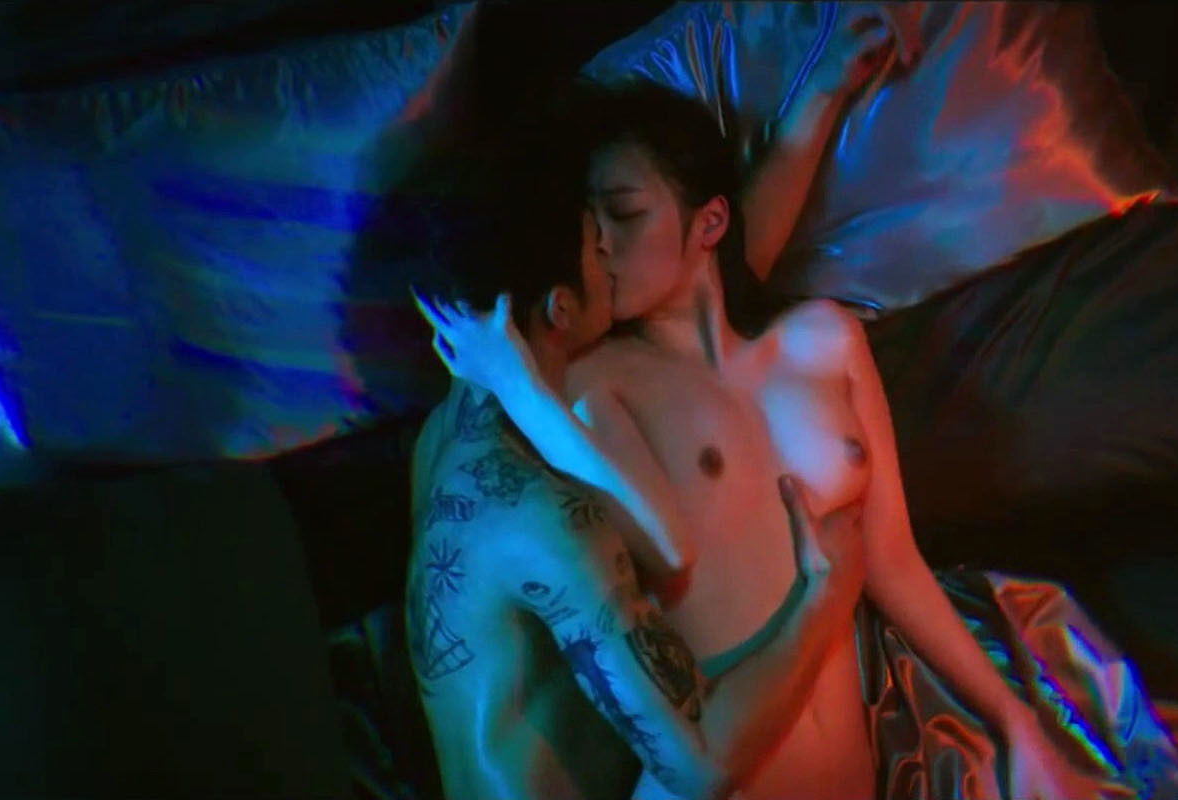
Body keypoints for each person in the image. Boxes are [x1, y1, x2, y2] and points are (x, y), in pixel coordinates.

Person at [419, 11, 1078, 800]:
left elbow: (894, 561)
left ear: (708, 224)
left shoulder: (822, 339)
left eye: (622, 217)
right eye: (590, 229)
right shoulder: (588, 385)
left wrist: (1014, 722)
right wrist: (515, 381)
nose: (601, 247)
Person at [391, 139, 869, 800]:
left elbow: (668, 546)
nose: (614, 258)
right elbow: (700, 766)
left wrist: (812, 112)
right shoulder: (547, 517)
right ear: (561, 309)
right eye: (598, 246)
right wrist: (824, 599)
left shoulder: (443, 434)